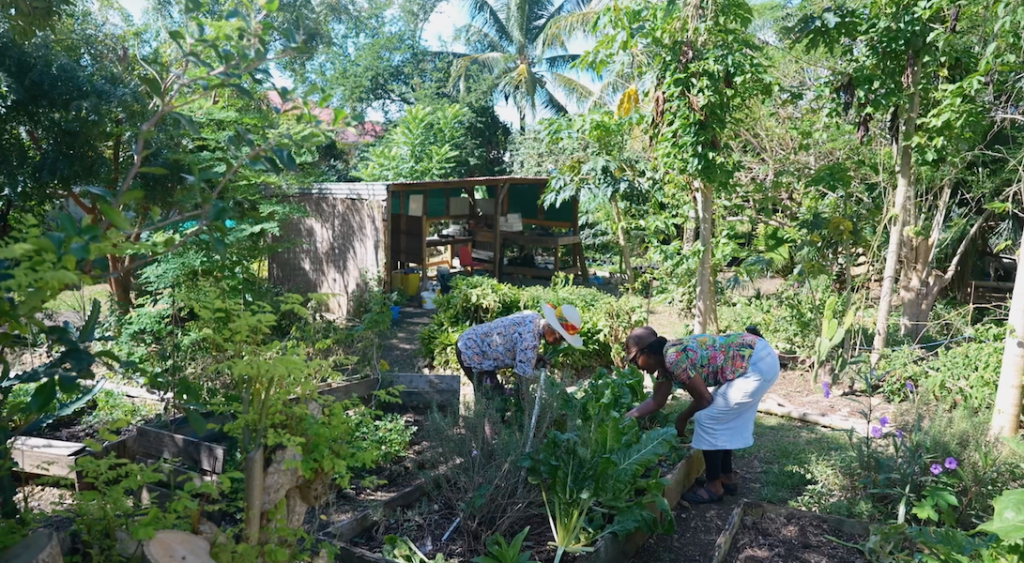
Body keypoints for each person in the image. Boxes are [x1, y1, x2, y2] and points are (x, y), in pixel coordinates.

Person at [623, 325, 779, 504]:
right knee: (719, 418)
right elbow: (656, 401)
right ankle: (726, 478)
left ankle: (714, 488)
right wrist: (625, 419)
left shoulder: (673, 359)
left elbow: (704, 399)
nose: (635, 366)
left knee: (708, 419)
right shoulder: (665, 364)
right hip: (754, 358)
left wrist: (682, 418)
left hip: (757, 364)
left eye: (635, 360)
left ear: (647, 353)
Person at [456, 304, 584, 434]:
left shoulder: (533, 316)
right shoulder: (530, 342)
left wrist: (535, 357)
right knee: (492, 402)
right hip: (471, 351)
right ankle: (484, 446)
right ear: (552, 328)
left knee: (495, 396)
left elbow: (512, 340)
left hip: (472, 340)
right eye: (561, 338)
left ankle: (487, 437)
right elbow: (521, 380)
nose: (559, 342)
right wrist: (527, 408)